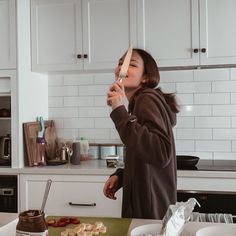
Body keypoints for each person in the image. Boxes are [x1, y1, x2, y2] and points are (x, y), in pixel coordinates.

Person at [103, 48, 179, 220]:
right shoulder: (140, 102)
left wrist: (118, 110)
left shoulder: (147, 98)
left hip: (149, 209)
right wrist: (121, 176)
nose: (122, 67)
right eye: (120, 63)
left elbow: (160, 152)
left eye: (132, 64)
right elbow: (144, 153)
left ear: (145, 77)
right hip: (150, 204)